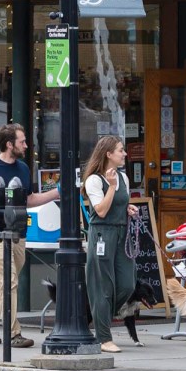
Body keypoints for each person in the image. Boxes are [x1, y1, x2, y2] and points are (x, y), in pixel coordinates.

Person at [0, 123, 59, 348]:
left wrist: (56, 193)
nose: (26, 145)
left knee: (5, 280)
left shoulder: (23, 169)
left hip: (18, 230)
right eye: (22, 142)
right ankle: (13, 333)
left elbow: (28, 199)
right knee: (9, 278)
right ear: (9, 144)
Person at [82, 135, 139, 354]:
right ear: (108, 154)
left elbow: (118, 205)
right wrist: (112, 187)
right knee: (103, 286)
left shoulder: (123, 178)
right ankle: (104, 337)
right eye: (120, 150)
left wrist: (127, 209)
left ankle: (100, 316)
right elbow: (102, 211)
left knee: (127, 283)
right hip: (102, 235)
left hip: (122, 232)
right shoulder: (95, 180)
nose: (124, 154)